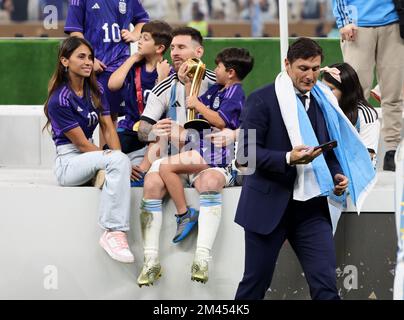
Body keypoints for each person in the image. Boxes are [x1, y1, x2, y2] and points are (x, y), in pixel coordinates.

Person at [234, 37, 375, 300]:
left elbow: (327, 150)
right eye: (303, 68)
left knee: (326, 287)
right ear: (287, 64)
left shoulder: (323, 102)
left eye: (314, 68)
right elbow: (245, 154)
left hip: (311, 210)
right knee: (254, 286)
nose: (310, 76)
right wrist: (288, 158)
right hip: (267, 208)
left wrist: (336, 174)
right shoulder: (261, 99)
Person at [158, 47, 254, 283]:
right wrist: (190, 84)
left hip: (215, 153)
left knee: (165, 167)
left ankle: (184, 214)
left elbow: (221, 121)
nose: (215, 70)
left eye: (218, 67)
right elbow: (195, 111)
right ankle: (197, 250)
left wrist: (198, 106)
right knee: (173, 162)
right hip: (202, 149)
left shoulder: (236, 93)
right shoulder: (218, 90)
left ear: (230, 72)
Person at [135, 27, 221, 287]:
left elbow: (230, 125)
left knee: (209, 183)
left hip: (204, 157)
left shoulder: (216, 82)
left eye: (181, 47)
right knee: (150, 184)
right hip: (170, 158)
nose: (175, 53)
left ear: (199, 51)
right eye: (172, 48)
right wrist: (153, 129)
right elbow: (142, 130)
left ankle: (202, 259)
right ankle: (151, 262)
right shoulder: (164, 85)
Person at [43, 36, 134, 263]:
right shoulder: (59, 100)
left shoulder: (96, 90)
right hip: (69, 162)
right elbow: (82, 144)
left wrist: (119, 157)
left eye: (90, 57)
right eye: (81, 57)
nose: (88, 62)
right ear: (65, 61)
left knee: (120, 162)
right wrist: (116, 159)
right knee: (118, 163)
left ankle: (106, 173)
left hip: (89, 157)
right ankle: (112, 231)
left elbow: (109, 128)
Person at [64, 0, 150, 146]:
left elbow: (142, 20)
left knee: (110, 114)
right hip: (91, 64)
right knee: (87, 114)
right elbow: (75, 32)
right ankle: (97, 156)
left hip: (117, 65)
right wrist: (90, 58)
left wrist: (135, 34)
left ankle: (108, 156)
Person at [332, 0, 404, 171]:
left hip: (394, 23)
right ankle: (356, 148)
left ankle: (391, 151)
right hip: (357, 24)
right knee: (355, 95)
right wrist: (344, 20)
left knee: (393, 94)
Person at [107, 20, 173, 186]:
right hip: (130, 127)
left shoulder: (169, 73)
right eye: (140, 38)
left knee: (158, 140)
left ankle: (141, 173)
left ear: (159, 48)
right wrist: (133, 57)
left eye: (145, 38)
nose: (139, 42)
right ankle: (111, 172)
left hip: (153, 130)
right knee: (108, 148)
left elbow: (163, 105)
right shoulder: (135, 67)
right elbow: (112, 84)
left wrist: (162, 80)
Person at [322, 63, 380, 167]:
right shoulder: (320, 108)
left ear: (346, 90)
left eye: (331, 89)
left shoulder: (364, 114)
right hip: (329, 168)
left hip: (357, 173)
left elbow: (368, 157)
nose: (324, 93)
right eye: (322, 88)